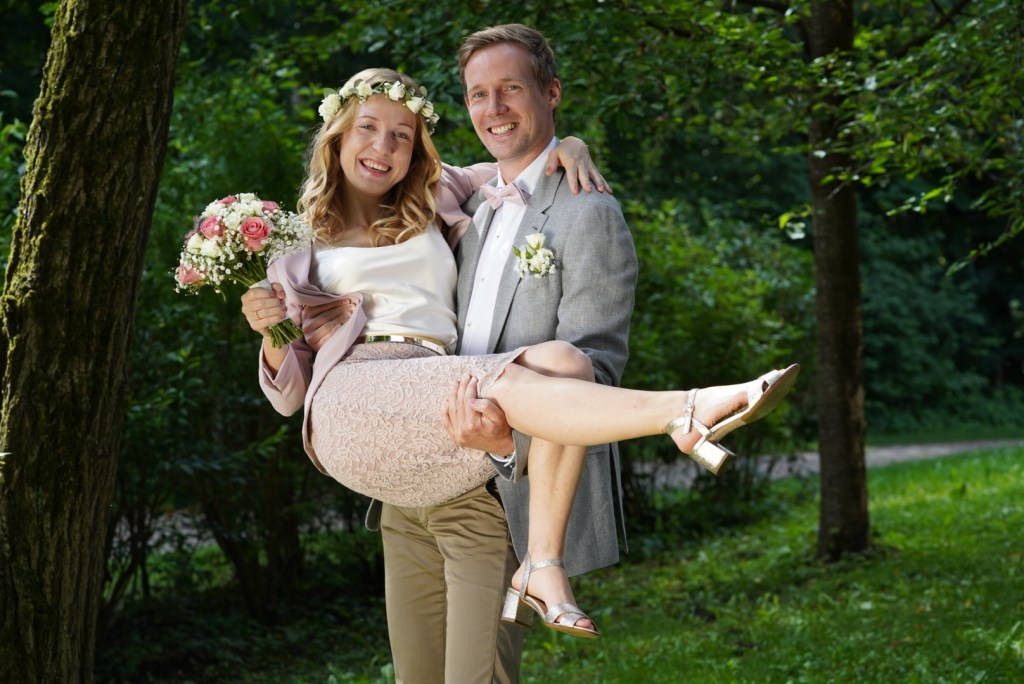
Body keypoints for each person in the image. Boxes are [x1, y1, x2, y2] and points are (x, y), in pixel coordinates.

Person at [242, 56, 797, 684]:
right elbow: (290, 394)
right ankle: (686, 409)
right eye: (368, 128)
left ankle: (542, 561)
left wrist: (570, 146)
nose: (383, 147)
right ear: (338, 135)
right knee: (510, 378)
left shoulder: (435, 195)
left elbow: (518, 164)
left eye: (401, 134)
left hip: (436, 397)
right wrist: (270, 335)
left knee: (567, 362)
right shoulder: (294, 246)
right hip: (354, 396)